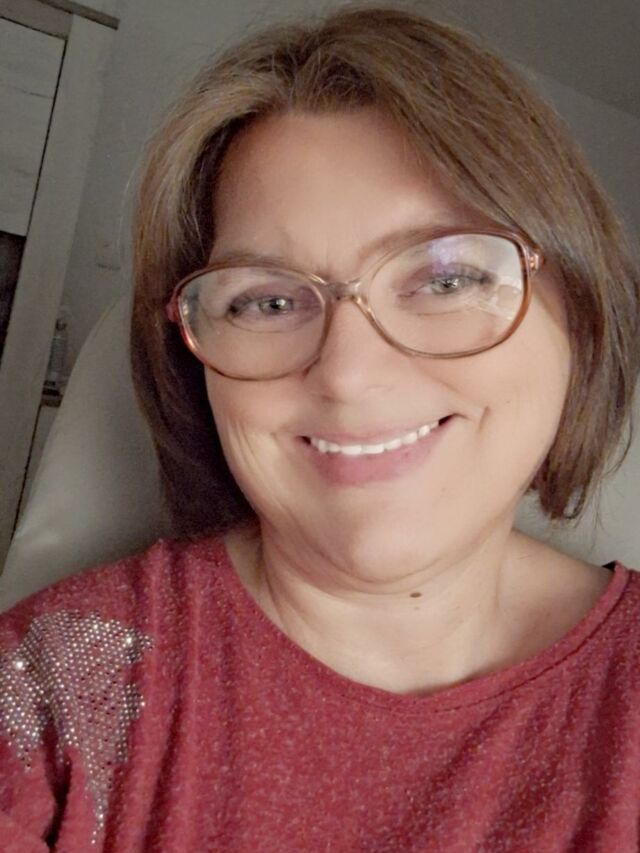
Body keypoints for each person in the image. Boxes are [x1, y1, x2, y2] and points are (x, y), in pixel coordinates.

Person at [2, 5, 640, 851]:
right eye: (267, 300)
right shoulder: (50, 688)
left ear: (580, 309)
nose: (347, 373)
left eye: (447, 278)